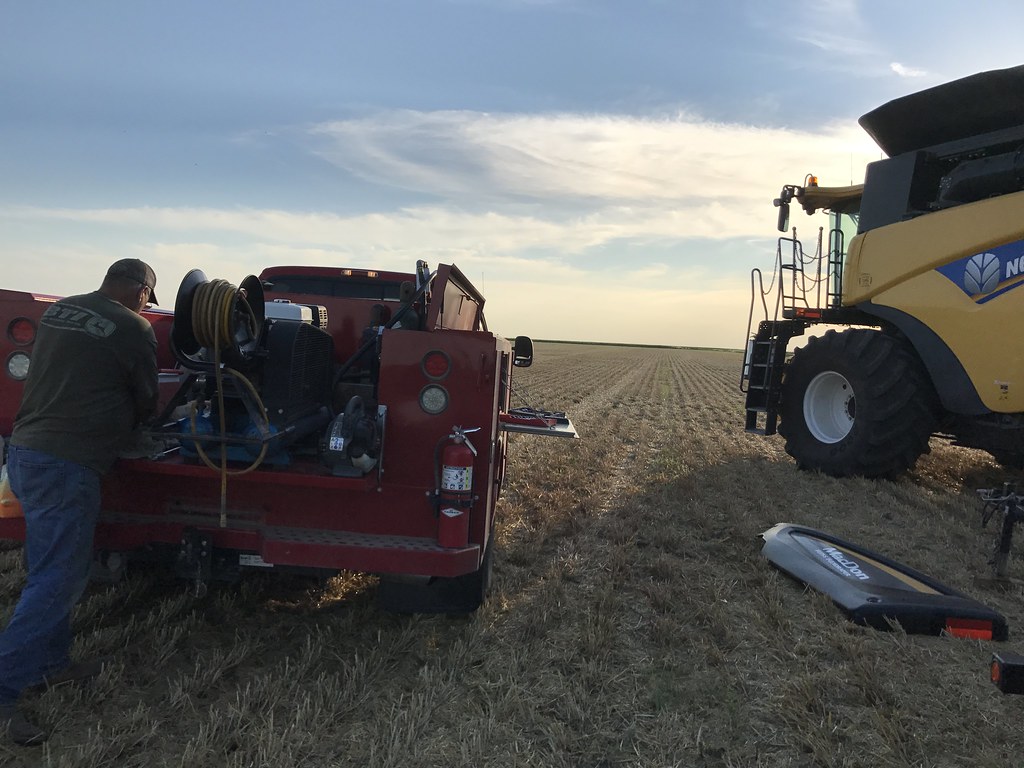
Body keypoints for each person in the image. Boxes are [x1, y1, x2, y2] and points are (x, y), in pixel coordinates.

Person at [0, 259, 160, 746]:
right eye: (147, 300)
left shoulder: (60, 311)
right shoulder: (134, 327)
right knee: (58, 580)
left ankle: (49, 664)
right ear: (140, 292)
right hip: (66, 464)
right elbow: (147, 400)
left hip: (24, 452)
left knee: (48, 566)